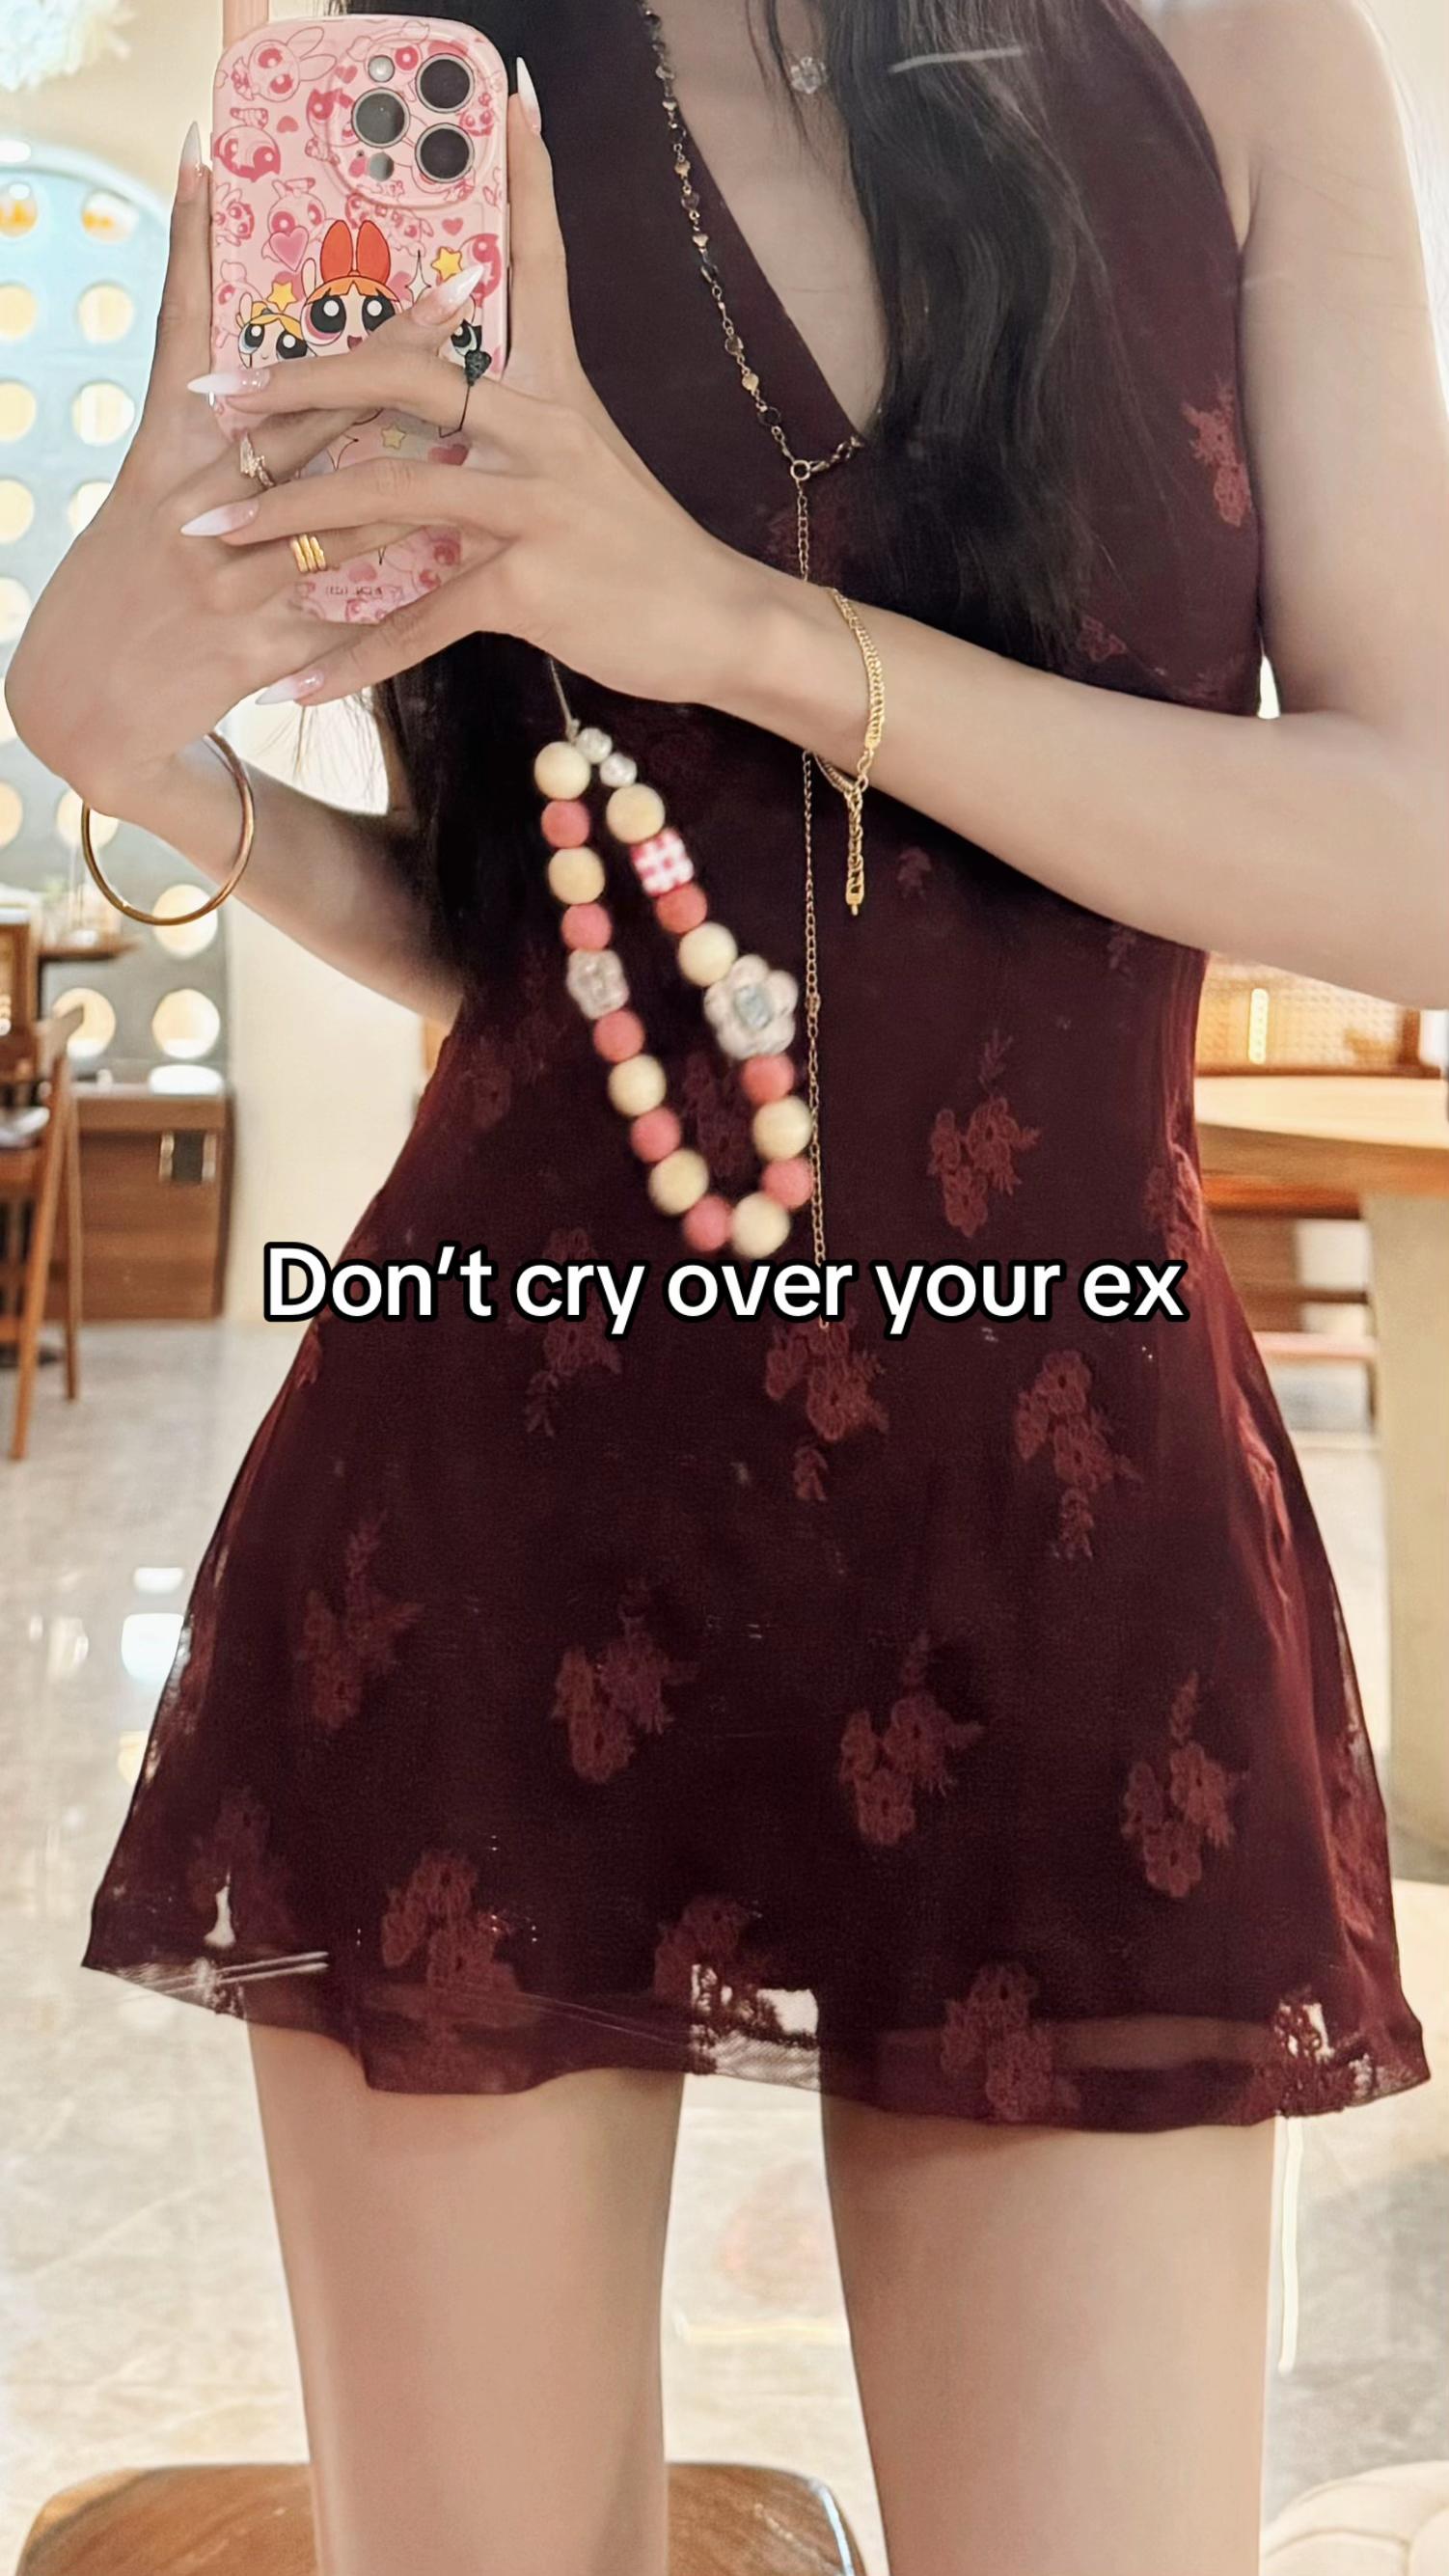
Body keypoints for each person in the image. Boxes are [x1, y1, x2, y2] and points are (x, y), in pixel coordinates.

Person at [10, 2, 1445, 2570]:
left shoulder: (1237, 54)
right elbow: (540, 969)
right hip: (495, 1515)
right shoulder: (444, 88)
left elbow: (1416, 859)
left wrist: (730, 629)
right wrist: (152, 766)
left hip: (1065, 1519)